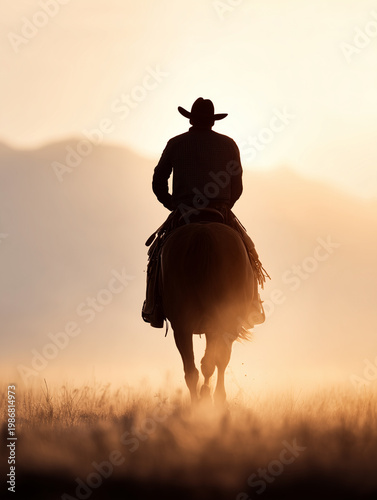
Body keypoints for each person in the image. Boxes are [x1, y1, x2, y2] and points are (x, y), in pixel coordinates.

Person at [142, 98, 269, 328]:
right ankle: (252, 306)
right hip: (219, 210)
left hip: (184, 212)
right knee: (250, 253)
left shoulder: (176, 144)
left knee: (156, 254)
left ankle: (154, 307)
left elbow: (158, 180)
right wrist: (224, 205)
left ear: (191, 119)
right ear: (213, 121)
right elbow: (237, 187)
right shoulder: (228, 145)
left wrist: (172, 205)